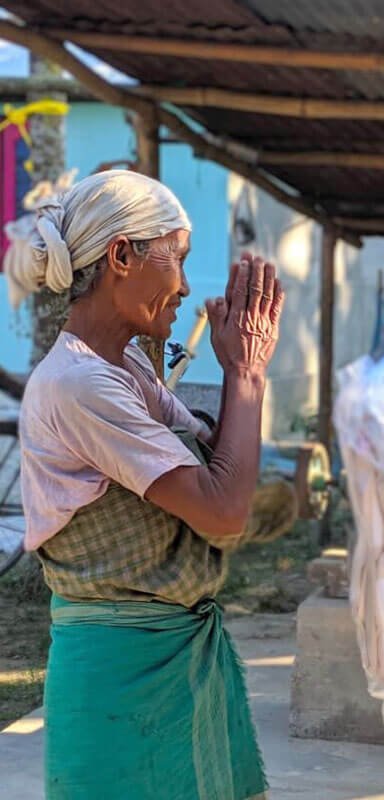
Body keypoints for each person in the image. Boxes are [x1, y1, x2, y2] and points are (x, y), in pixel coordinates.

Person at [15, 169, 284, 800]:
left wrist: (239, 376)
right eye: (178, 259)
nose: (187, 286)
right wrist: (245, 372)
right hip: (119, 670)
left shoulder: (126, 364)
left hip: (171, 658)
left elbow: (217, 456)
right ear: (121, 255)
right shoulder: (79, 385)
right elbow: (223, 509)